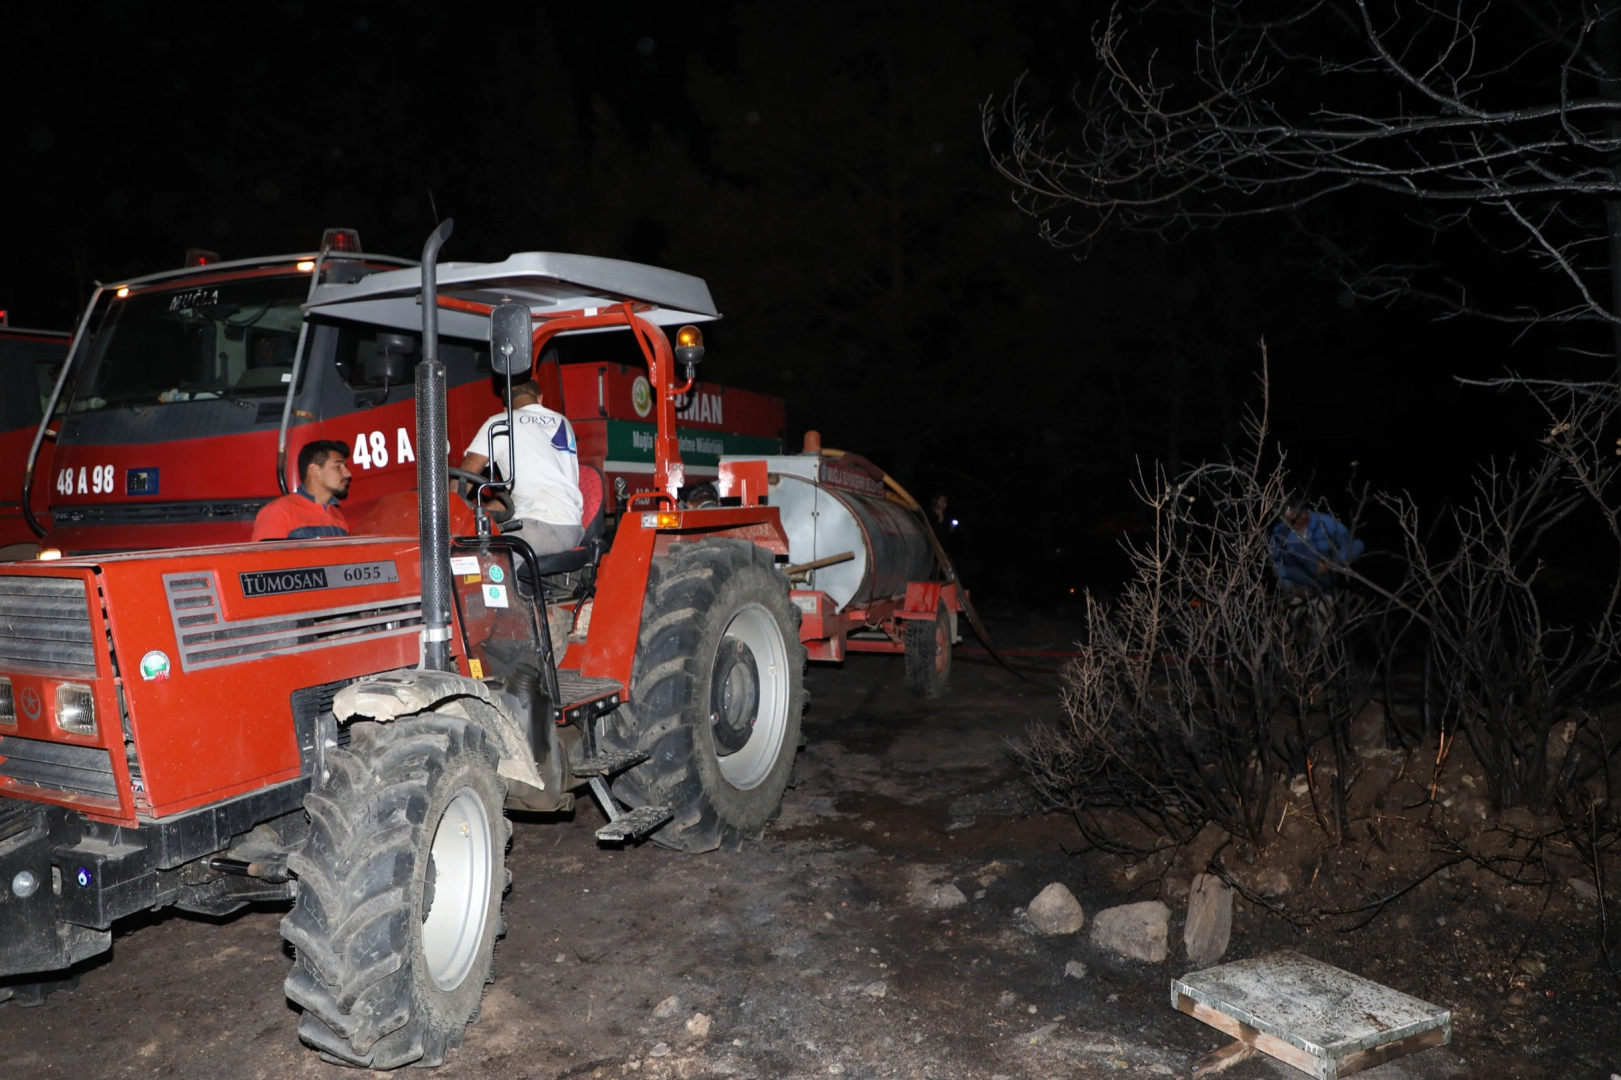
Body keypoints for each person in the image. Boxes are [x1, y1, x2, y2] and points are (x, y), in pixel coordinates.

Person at [460, 378, 584, 556]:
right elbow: (517, 498)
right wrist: (481, 512)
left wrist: (446, 511)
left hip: (542, 526)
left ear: (506, 408)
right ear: (540, 399)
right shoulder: (562, 421)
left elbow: (464, 477)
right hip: (570, 526)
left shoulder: (501, 423)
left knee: (477, 561)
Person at [251, 440, 352, 541]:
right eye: (338, 467)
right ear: (314, 470)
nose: (348, 473)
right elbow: (263, 556)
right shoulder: (280, 512)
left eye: (345, 467)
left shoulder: (337, 516)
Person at [1269, 498, 1363, 595]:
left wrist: (1333, 561)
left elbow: (1357, 544)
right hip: (1295, 594)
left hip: (1325, 591)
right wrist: (1289, 587)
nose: (1287, 523)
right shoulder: (1279, 531)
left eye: (1291, 519)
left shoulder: (1327, 523)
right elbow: (1275, 562)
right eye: (1285, 519)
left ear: (1303, 514)